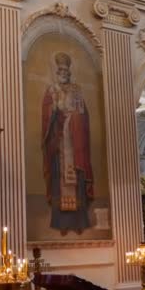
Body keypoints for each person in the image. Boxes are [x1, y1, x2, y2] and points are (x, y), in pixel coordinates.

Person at [41, 52, 94, 236]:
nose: (64, 72)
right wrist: (54, 112)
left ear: (69, 72)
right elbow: (46, 115)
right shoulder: (52, 90)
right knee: (59, 181)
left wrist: (75, 120)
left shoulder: (76, 90)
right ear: (57, 72)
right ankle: (61, 223)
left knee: (77, 179)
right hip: (60, 142)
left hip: (75, 140)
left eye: (66, 70)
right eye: (60, 70)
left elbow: (84, 114)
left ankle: (79, 221)